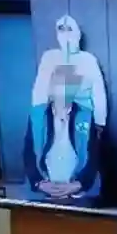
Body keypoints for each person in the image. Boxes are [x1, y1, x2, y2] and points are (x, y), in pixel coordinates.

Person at [23, 64, 100, 201]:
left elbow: (94, 156)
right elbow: (28, 154)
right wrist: (39, 183)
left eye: (69, 86)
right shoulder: (37, 115)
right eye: (59, 85)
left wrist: (79, 184)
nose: (64, 91)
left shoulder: (86, 116)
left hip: (76, 192)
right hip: (44, 191)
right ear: (51, 88)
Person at [31, 15, 107, 133]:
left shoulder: (89, 60)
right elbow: (40, 90)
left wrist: (99, 122)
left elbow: (98, 93)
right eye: (62, 30)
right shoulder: (49, 58)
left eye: (69, 30)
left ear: (77, 34)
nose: (66, 35)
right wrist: (38, 119)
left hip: (82, 116)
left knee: (81, 143)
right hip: (55, 117)